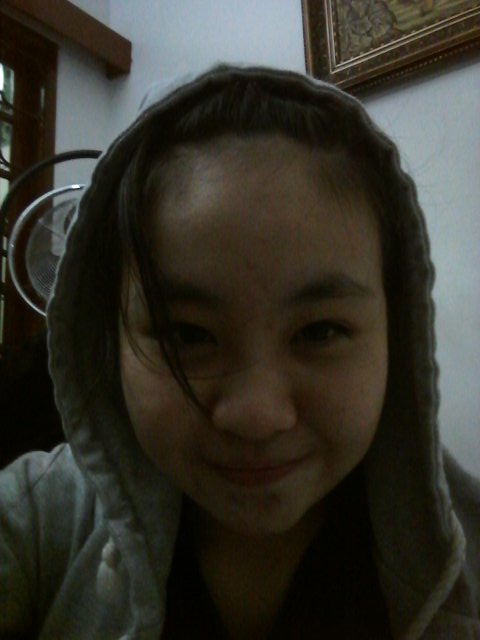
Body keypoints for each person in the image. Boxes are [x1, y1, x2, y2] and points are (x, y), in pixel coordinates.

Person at [0, 64, 478, 639]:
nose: (256, 417)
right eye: (187, 335)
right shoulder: (38, 520)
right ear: (111, 335)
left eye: (320, 331)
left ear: (396, 333)